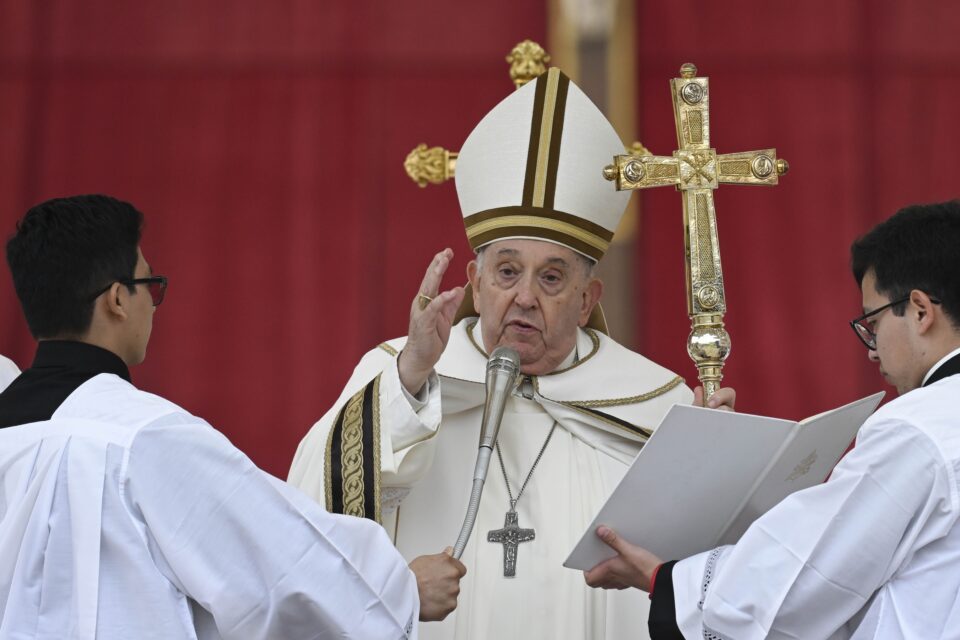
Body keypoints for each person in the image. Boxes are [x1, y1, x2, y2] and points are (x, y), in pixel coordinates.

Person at [289, 68, 734, 640]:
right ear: (475, 284)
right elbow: (310, 518)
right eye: (506, 272)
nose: (524, 296)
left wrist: (707, 462)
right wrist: (412, 376)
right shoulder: (400, 375)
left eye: (551, 277)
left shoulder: (660, 404)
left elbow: (691, 573)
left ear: (586, 300)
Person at [0, 194, 462, 638]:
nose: (152, 305)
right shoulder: (142, 437)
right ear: (118, 300)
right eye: (149, 285)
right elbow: (277, 564)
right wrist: (399, 591)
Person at [583, 201, 960, 639]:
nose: (873, 349)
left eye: (873, 323)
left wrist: (668, 582)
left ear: (919, 310)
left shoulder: (917, 430)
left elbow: (805, 582)